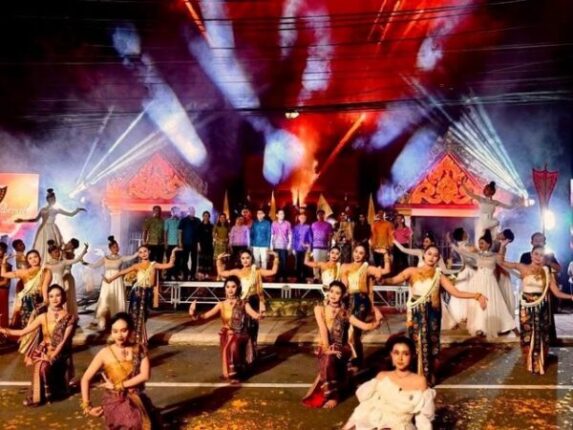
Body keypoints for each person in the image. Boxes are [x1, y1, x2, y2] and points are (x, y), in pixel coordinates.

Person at [383, 245, 488, 384]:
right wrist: (380, 276)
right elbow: (393, 280)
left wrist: (476, 295)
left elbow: (455, 292)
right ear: (424, 255)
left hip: (432, 315)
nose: (431, 257)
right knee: (416, 344)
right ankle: (414, 374)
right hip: (416, 314)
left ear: (438, 259)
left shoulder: (439, 275)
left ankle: (427, 375)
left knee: (431, 344)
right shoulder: (411, 271)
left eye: (435, 255)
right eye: (429, 253)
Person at [303, 281, 381, 409]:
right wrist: (327, 348)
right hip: (325, 346)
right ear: (328, 292)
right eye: (331, 291)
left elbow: (364, 326)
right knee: (329, 357)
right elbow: (323, 328)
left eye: (337, 293)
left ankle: (334, 397)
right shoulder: (319, 309)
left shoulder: (345, 313)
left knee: (331, 358)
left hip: (342, 348)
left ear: (342, 295)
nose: (333, 295)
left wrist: (376, 322)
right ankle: (341, 382)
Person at [498, 243, 573, 375]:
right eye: (536, 254)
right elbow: (500, 262)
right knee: (527, 335)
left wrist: (571, 297)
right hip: (526, 307)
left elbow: (556, 292)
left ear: (545, 258)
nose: (538, 257)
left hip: (541, 306)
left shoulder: (547, 272)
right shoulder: (522, 267)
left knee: (541, 334)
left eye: (541, 255)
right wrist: (503, 246)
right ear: (531, 255)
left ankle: (539, 363)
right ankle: (529, 361)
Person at [0, 285, 76, 406]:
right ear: (48, 298)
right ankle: (38, 396)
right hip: (44, 350)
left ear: (63, 297)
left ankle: (41, 396)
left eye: (58, 295)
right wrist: (3, 330)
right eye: (51, 296)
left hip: (61, 353)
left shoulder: (69, 318)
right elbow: (22, 332)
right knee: (40, 363)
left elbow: (63, 342)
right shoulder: (42, 317)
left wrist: (51, 356)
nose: (54, 299)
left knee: (43, 365)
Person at [80, 312, 157, 429]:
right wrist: (87, 406)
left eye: (123, 330)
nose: (119, 335)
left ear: (130, 330)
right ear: (110, 332)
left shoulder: (139, 349)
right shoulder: (105, 353)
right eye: (115, 331)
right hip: (115, 401)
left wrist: (119, 385)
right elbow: (85, 379)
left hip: (137, 398)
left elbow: (145, 375)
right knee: (132, 422)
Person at [343, 335, 435, 430]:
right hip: (375, 424)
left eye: (405, 354)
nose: (400, 358)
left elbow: (423, 418)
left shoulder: (419, 381)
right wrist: (347, 426)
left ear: (412, 356)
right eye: (396, 353)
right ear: (391, 355)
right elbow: (366, 406)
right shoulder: (382, 376)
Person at [188, 276, 261, 382]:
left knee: (232, 345)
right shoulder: (221, 305)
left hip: (240, 334)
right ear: (225, 288)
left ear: (238, 288)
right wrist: (193, 314)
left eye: (233, 287)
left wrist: (261, 313)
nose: (230, 290)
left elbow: (255, 315)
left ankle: (235, 374)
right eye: (228, 287)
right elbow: (204, 316)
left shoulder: (243, 303)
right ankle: (232, 373)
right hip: (227, 335)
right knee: (230, 343)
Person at [105, 245, 180, 346]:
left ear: (149, 252)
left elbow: (170, 265)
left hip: (147, 293)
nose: (143, 254)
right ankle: (136, 340)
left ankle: (141, 340)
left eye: (145, 251)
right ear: (139, 255)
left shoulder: (153, 264)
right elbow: (122, 272)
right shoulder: (137, 266)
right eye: (140, 252)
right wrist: (110, 279)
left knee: (143, 316)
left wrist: (173, 252)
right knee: (134, 316)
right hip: (137, 292)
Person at [452, 230, 515, 339]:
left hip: (490, 282)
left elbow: (501, 261)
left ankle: (498, 326)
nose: (480, 245)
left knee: (492, 302)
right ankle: (480, 327)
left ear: (488, 244)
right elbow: (464, 253)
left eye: (482, 243)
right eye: (479, 243)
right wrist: (453, 246)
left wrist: (503, 246)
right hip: (478, 281)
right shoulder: (477, 255)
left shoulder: (494, 256)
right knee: (478, 304)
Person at [216, 249, 278, 359]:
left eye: (247, 258)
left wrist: (276, 258)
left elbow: (273, 272)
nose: (245, 260)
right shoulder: (238, 272)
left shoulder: (256, 271)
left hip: (253, 302)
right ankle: (242, 354)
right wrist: (219, 259)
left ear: (251, 259)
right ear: (240, 260)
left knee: (252, 328)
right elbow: (221, 273)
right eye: (243, 258)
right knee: (241, 329)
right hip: (241, 303)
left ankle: (252, 355)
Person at [340, 244, 390, 367]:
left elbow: (386, 271)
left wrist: (385, 254)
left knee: (355, 330)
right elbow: (343, 286)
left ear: (365, 255)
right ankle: (350, 357)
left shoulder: (366, 268)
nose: (357, 255)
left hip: (361, 301)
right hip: (347, 300)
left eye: (361, 253)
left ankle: (357, 360)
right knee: (345, 329)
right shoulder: (345, 266)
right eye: (356, 251)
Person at [14, 188, 86, 262]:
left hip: (53, 229)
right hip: (43, 229)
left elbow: (70, 214)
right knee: (43, 246)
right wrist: (23, 220)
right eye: (52, 199)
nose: (54, 200)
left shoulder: (56, 210)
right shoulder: (43, 210)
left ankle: (54, 262)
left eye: (54, 199)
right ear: (48, 200)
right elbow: (36, 219)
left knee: (54, 246)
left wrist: (77, 210)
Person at [2, 250, 51, 351]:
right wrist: (4, 262)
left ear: (39, 258)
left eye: (35, 257)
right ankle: (30, 349)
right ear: (27, 261)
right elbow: (4, 274)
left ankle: (39, 349)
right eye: (30, 258)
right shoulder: (24, 272)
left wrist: (45, 301)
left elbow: (44, 287)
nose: (33, 259)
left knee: (40, 326)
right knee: (28, 325)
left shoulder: (46, 271)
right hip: (27, 301)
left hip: (38, 300)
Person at [87, 236, 138, 330]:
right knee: (105, 298)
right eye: (114, 247)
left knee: (117, 297)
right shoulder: (105, 258)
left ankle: (117, 316)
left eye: (117, 246)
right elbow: (94, 265)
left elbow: (132, 257)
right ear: (110, 248)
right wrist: (85, 263)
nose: (116, 248)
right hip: (107, 281)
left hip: (117, 280)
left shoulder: (121, 258)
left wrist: (139, 252)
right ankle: (104, 317)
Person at [519, 232, 561, 344]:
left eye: (541, 240)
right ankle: (531, 342)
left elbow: (558, 268)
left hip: (545, 290)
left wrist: (548, 262)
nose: (538, 242)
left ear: (545, 243)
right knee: (529, 319)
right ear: (531, 242)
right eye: (536, 240)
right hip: (530, 293)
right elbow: (521, 272)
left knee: (546, 316)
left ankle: (549, 341)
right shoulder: (525, 256)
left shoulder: (549, 255)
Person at [44, 240, 88, 317]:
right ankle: (53, 318)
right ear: (50, 254)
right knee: (52, 302)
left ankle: (63, 318)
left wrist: (84, 250)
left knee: (61, 302)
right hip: (51, 283)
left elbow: (76, 260)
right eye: (55, 252)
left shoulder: (63, 262)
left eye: (58, 252)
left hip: (60, 283)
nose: (57, 253)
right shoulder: (46, 264)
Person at [444, 228, 477, 326]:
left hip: (466, 270)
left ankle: (466, 316)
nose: (467, 233)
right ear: (463, 235)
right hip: (470, 271)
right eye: (465, 232)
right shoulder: (466, 247)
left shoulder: (463, 246)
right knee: (467, 292)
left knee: (464, 293)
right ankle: (467, 316)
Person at [178, 207, 201, 281]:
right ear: (188, 212)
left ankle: (193, 275)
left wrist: (199, 244)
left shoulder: (198, 220)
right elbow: (180, 232)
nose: (192, 212)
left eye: (193, 211)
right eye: (191, 211)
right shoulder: (183, 220)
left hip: (195, 243)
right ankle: (185, 275)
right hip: (185, 243)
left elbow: (199, 233)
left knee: (194, 260)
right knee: (185, 260)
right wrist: (180, 242)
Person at [310, 210, 334, 281]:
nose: (320, 216)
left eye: (322, 214)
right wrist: (310, 247)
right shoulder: (313, 224)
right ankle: (316, 277)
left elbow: (330, 237)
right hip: (315, 246)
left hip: (324, 247)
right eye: (319, 214)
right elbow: (311, 236)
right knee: (316, 262)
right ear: (317, 216)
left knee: (323, 263)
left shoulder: (328, 225)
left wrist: (330, 247)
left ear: (324, 215)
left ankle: (323, 277)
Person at [271, 209, 292, 282]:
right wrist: (271, 245)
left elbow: (290, 234)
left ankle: (284, 277)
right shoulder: (274, 223)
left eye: (283, 214)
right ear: (277, 215)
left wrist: (289, 244)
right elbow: (272, 234)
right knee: (276, 261)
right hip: (276, 245)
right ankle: (277, 277)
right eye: (280, 214)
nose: (281, 215)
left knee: (284, 262)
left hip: (284, 245)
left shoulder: (287, 223)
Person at [292, 212, 313, 283]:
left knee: (305, 263)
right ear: (298, 218)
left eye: (304, 218)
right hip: (297, 247)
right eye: (301, 217)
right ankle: (298, 277)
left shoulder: (308, 227)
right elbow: (294, 238)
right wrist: (293, 248)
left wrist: (309, 246)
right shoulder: (296, 227)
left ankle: (304, 277)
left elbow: (310, 238)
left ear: (306, 219)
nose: (302, 219)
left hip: (305, 248)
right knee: (297, 263)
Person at [163, 206, 181, 280]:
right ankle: (168, 276)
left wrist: (180, 243)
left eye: (177, 211)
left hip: (178, 244)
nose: (175, 213)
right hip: (169, 244)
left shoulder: (180, 221)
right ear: (171, 212)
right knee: (169, 259)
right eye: (174, 211)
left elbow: (181, 233)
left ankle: (176, 275)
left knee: (177, 260)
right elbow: (165, 232)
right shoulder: (167, 221)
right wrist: (165, 243)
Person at [198, 211, 214, 278]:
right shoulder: (200, 225)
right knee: (201, 259)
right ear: (203, 216)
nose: (206, 217)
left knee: (209, 259)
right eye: (205, 215)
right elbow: (198, 237)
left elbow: (213, 236)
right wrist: (198, 245)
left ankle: (207, 273)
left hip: (209, 244)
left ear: (209, 217)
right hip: (202, 244)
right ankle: (201, 273)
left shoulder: (211, 226)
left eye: (207, 216)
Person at [0, 243, 11, 327]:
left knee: (2, 313)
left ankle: (2, 332)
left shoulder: (7, 265)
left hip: (2, 291)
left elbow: (6, 282)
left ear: (4, 251)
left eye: (1, 249)